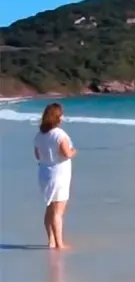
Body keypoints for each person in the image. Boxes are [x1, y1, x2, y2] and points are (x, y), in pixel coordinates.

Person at [33, 103, 76, 249]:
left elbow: (37, 155)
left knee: (50, 207)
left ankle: (51, 240)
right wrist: (74, 151)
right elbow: (67, 153)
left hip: (44, 173)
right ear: (57, 117)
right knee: (58, 212)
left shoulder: (40, 135)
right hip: (59, 174)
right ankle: (59, 243)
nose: (63, 117)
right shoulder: (59, 134)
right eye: (61, 114)